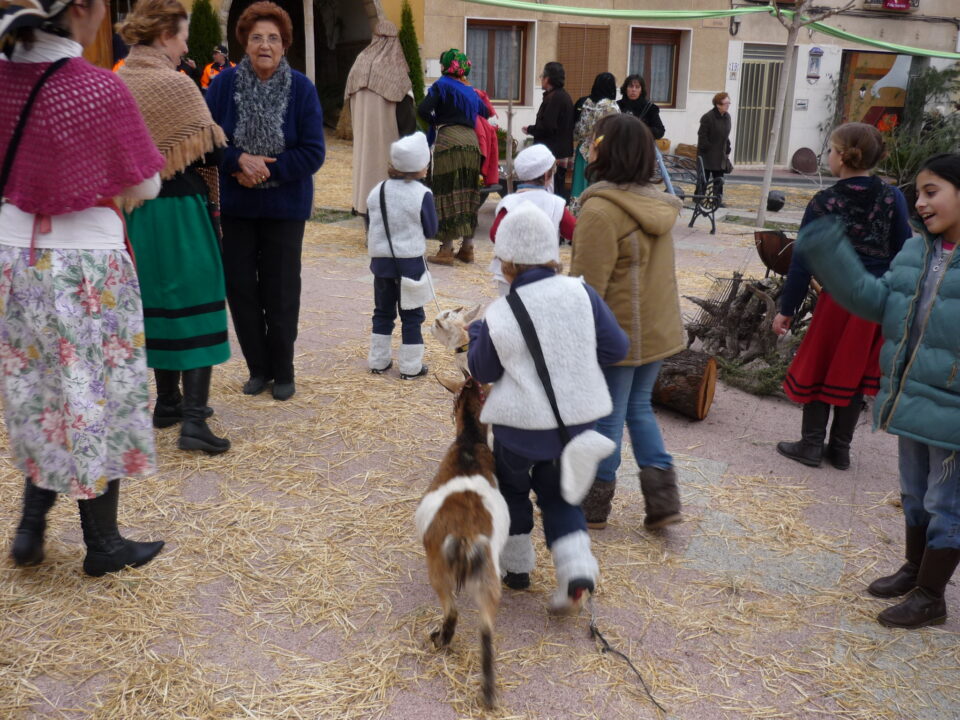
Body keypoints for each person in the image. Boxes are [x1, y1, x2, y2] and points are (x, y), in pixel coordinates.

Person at [0, 0, 166, 575]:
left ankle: (30, 528)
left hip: (13, 257)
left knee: (39, 393)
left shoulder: (1, 80)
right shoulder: (98, 88)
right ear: (81, 9)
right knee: (94, 397)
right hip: (85, 264)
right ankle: (103, 542)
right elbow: (146, 185)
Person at [795, 153, 960, 630]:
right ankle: (914, 570)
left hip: (953, 410)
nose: (921, 204)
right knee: (913, 492)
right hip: (913, 398)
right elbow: (877, 301)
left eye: (932, 192)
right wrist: (831, 254)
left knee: (947, 504)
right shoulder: (916, 250)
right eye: (919, 194)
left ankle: (932, 595)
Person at [467, 203, 628, 613]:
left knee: (514, 490)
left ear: (507, 263)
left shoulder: (500, 314)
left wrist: (476, 336)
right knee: (560, 498)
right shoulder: (581, 292)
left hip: (519, 431)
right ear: (552, 253)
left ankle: (518, 570)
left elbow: (482, 369)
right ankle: (576, 570)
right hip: (576, 425)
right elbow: (615, 348)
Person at [117, 0, 232, 455]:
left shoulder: (119, 80)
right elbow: (210, 149)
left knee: (157, 301)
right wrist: (243, 159)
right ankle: (194, 421)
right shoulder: (176, 85)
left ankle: (166, 403)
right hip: (181, 209)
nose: (187, 43)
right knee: (197, 299)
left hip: (138, 214)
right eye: (183, 35)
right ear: (165, 35)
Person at [773, 124, 911, 470]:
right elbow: (903, 251)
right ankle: (840, 449)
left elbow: (802, 258)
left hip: (838, 303)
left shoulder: (825, 201)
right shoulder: (893, 197)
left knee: (821, 367)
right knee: (853, 370)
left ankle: (810, 445)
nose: (828, 157)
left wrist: (786, 308)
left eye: (831, 151)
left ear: (843, 156)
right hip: (876, 302)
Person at [570, 114, 685, 531]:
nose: (589, 147)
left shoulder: (600, 211)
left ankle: (594, 504)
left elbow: (586, 289)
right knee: (638, 408)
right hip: (656, 329)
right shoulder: (657, 202)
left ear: (608, 150)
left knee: (609, 416)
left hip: (616, 334)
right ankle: (663, 499)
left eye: (594, 140)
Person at [206, 0, 325, 401]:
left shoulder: (302, 90)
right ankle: (257, 368)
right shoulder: (222, 87)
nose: (264, 45)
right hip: (238, 207)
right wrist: (237, 158)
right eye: (257, 37)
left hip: (284, 209)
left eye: (273, 38)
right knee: (241, 289)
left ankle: (283, 370)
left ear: (284, 45)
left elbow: (313, 152)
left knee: (281, 290)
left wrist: (266, 168)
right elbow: (208, 143)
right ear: (244, 41)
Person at [366, 132, 436, 380]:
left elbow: (370, 223)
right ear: (419, 166)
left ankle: (378, 360)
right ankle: (410, 366)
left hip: (381, 263)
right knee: (412, 316)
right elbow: (431, 229)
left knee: (382, 312)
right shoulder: (421, 194)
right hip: (411, 264)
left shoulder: (377, 191)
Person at [417, 48, 488, 265]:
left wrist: (435, 121)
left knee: (446, 191)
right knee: (468, 192)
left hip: (449, 141)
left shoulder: (442, 85)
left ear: (446, 66)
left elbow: (422, 109)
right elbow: (484, 112)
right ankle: (467, 248)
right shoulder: (471, 90)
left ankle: (446, 250)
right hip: (471, 143)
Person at [345, 20, 415, 218]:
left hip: (363, 141)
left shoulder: (359, 64)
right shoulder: (395, 71)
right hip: (388, 145)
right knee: (384, 189)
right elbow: (407, 120)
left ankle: (369, 230)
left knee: (366, 182)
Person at [488, 144, 576, 295]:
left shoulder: (509, 202)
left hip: (510, 275)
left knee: (509, 312)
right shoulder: (556, 203)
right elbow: (574, 232)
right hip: (544, 274)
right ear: (547, 174)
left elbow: (495, 234)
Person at [523, 62, 574, 200]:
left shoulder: (556, 98)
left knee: (552, 194)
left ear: (548, 78)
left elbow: (548, 127)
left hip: (553, 154)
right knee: (556, 191)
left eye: (542, 76)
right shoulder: (560, 96)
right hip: (558, 151)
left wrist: (530, 129)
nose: (541, 79)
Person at [571, 72, 619, 200]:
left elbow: (579, 130)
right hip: (603, 152)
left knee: (580, 187)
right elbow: (615, 131)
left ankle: (577, 214)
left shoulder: (587, 103)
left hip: (583, 149)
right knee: (599, 188)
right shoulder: (611, 106)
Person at [697, 92, 733, 204]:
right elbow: (702, 136)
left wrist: (727, 147)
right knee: (704, 178)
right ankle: (698, 198)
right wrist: (708, 148)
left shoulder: (727, 117)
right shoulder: (708, 117)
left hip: (720, 154)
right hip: (707, 154)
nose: (728, 105)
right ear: (718, 104)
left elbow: (725, 135)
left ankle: (717, 200)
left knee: (719, 179)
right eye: (725, 103)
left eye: (729, 103)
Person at [617, 74, 665, 140]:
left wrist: (640, 129)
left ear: (641, 90)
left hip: (642, 147)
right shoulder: (617, 106)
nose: (633, 90)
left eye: (637, 87)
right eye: (631, 86)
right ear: (625, 89)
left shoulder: (650, 108)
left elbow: (660, 132)